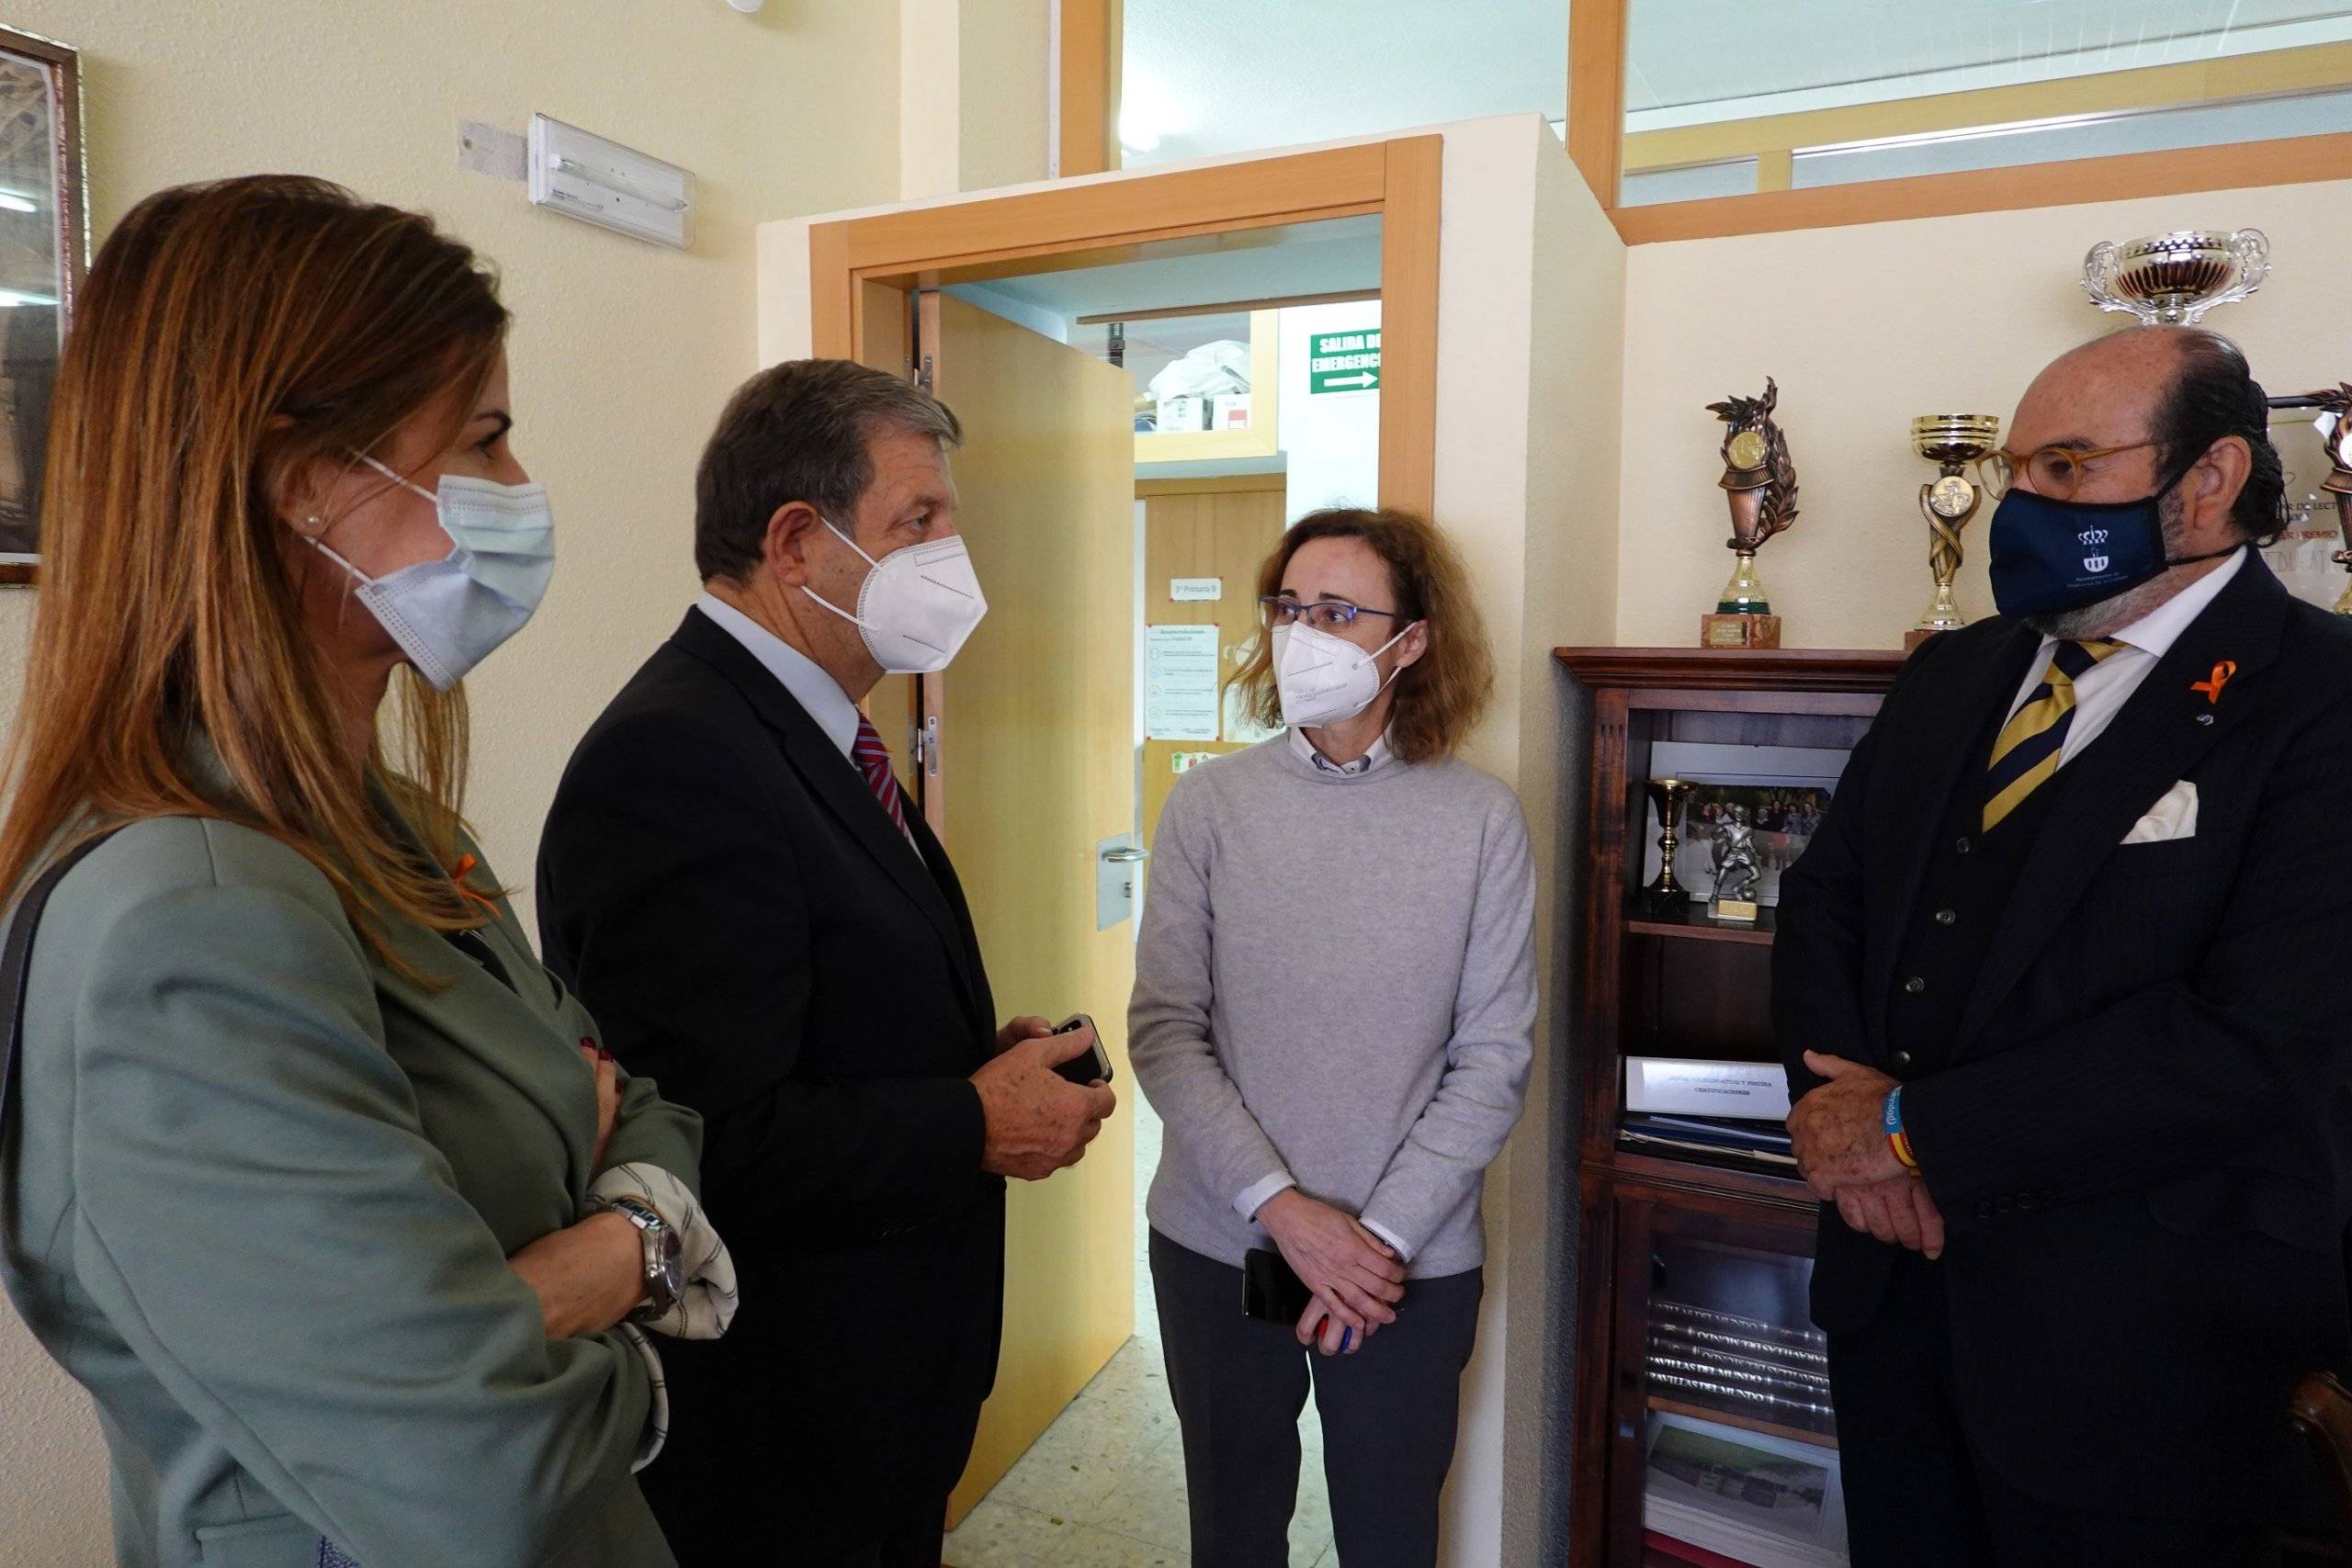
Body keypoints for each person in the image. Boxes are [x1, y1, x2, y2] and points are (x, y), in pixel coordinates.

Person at [0, 176, 731, 1567]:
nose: (523, 492)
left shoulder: (385, 822)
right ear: (303, 478)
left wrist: (594, 1243)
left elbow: (634, 1101)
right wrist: (636, 1285)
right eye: (488, 438)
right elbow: (479, 1463)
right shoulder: (189, 917)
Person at [1774, 326, 2352, 1565]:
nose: (2021, 503)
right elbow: (1827, 901)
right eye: (2018, 470)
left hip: (2137, 1357)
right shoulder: (1955, 674)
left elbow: (2258, 1037)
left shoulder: (2321, 696)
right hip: (1892, 1307)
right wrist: (1842, 1125)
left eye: (2068, 467)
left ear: (2208, 477)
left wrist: (1908, 1131)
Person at [536, 356, 1117, 1567]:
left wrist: (974, 1065)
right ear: (797, 540)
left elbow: (819, 1013)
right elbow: (701, 1138)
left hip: (879, 1405)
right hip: (782, 1437)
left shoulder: (820, 724)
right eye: (921, 520)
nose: (956, 554)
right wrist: (968, 1121)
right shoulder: (679, 757)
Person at [1129, 506, 1536, 1568]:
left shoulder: (1481, 819)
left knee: (1391, 1536)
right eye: (1289, 606)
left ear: (1412, 641)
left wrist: (1377, 1240)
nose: (1304, 632)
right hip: (1219, 1244)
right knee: (1233, 1532)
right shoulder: (1209, 808)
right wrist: (1286, 1212)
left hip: (1409, 1261)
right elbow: (1167, 1032)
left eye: (1340, 611)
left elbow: (1492, 1057)